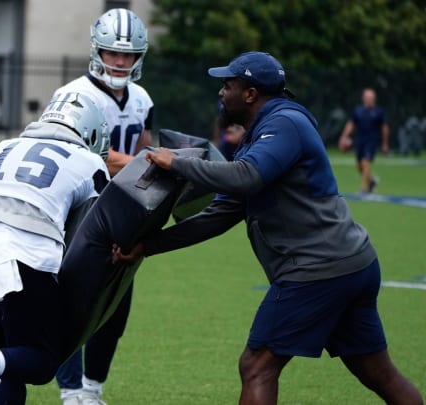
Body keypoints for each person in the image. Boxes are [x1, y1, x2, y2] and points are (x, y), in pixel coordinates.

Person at [113, 51, 423, 405]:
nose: (220, 92)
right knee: (376, 372)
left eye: (227, 85)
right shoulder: (259, 134)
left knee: (257, 365)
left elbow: (247, 176)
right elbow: (221, 214)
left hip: (317, 271)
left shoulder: (284, 122)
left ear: (250, 93)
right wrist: (149, 245)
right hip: (350, 265)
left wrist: (178, 163)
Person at [0, 92, 110, 405]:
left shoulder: (4, 146)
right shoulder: (90, 161)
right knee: (40, 362)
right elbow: (103, 224)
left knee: (9, 358)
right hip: (23, 247)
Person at [51, 9, 153, 405]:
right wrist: (149, 163)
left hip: (122, 211)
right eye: (112, 52)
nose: (120, 61)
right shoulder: (75, 95)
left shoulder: (142, 98)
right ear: (97, 51)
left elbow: (144, 144)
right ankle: (71, 393)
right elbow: (86, 152)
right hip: (79, 207)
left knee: (115, 306)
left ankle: (92, 390)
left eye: (127, 55)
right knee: (74, 302)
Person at [338, 88, 390, 194]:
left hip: (371, 142)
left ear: (374, 99)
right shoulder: (358, 110)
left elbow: (384, 128)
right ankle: (371, 182)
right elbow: (351, 124)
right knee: (360, 166)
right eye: (367, 98)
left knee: (365, 162)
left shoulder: (379, 112)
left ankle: (364, 189)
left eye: (371, 98)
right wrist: (344, 137)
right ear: (363, 98)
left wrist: (385, 143)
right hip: (360, 141)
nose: (369, 100)